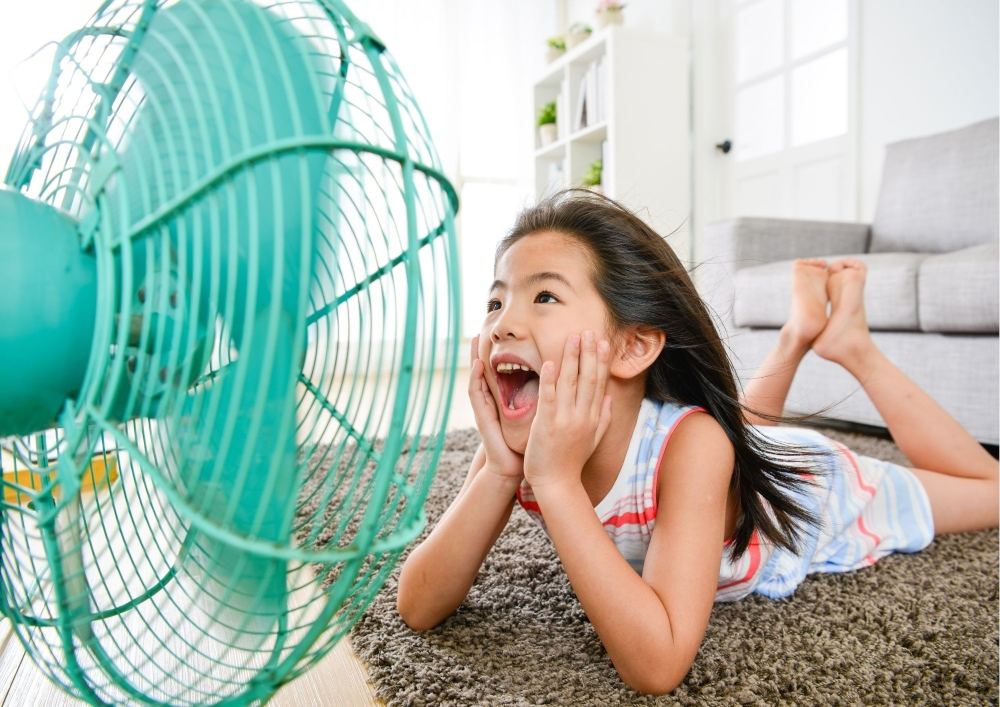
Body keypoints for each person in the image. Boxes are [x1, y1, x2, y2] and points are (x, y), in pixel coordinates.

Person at [395, 190, 999, 695]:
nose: (501, 322)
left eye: (544, 296)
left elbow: (657, 666)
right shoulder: (515, 444)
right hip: (730, 468)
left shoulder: (694, 446)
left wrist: (554, 483)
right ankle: (797, 334)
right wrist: (502, 474)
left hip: (823, 490)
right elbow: (417, 608)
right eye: (495, 300)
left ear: (632, 347)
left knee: (991, 492)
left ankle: (853, 348)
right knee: (742, 433)